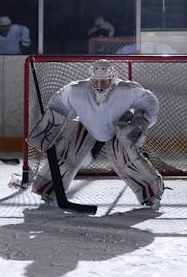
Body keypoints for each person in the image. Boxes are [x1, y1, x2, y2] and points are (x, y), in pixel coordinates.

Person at [27, 59, 164, 209]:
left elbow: (150, 102)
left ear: (112, 80)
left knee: (127, 160)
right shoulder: (76, 90)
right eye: (95, 82)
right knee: (65, 153)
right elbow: (58, 103)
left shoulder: (127, 90)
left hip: (116, 130)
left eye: (104, 82)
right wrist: (50, 125)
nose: (99, 86)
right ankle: (48, 188)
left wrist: (140, 122)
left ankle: (151, 193)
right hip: (87, 126)